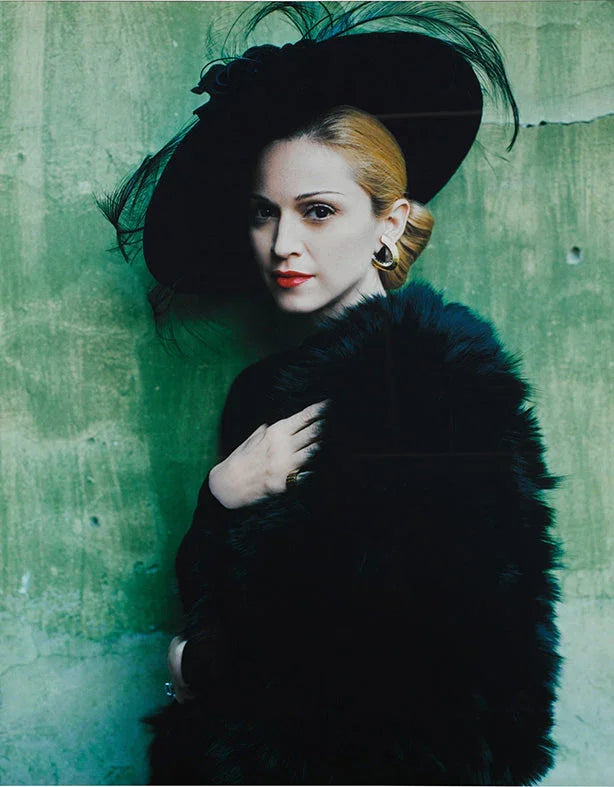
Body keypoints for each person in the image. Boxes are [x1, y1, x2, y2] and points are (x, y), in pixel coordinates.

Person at [101, 3, 560, 784]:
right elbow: (220, 597)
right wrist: (222, 492)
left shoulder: (437, 382)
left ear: (389, 225)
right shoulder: (261, 392)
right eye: (264, 214)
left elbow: (421, 664)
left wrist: (198, 672)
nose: (283, 244)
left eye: (317, 211)